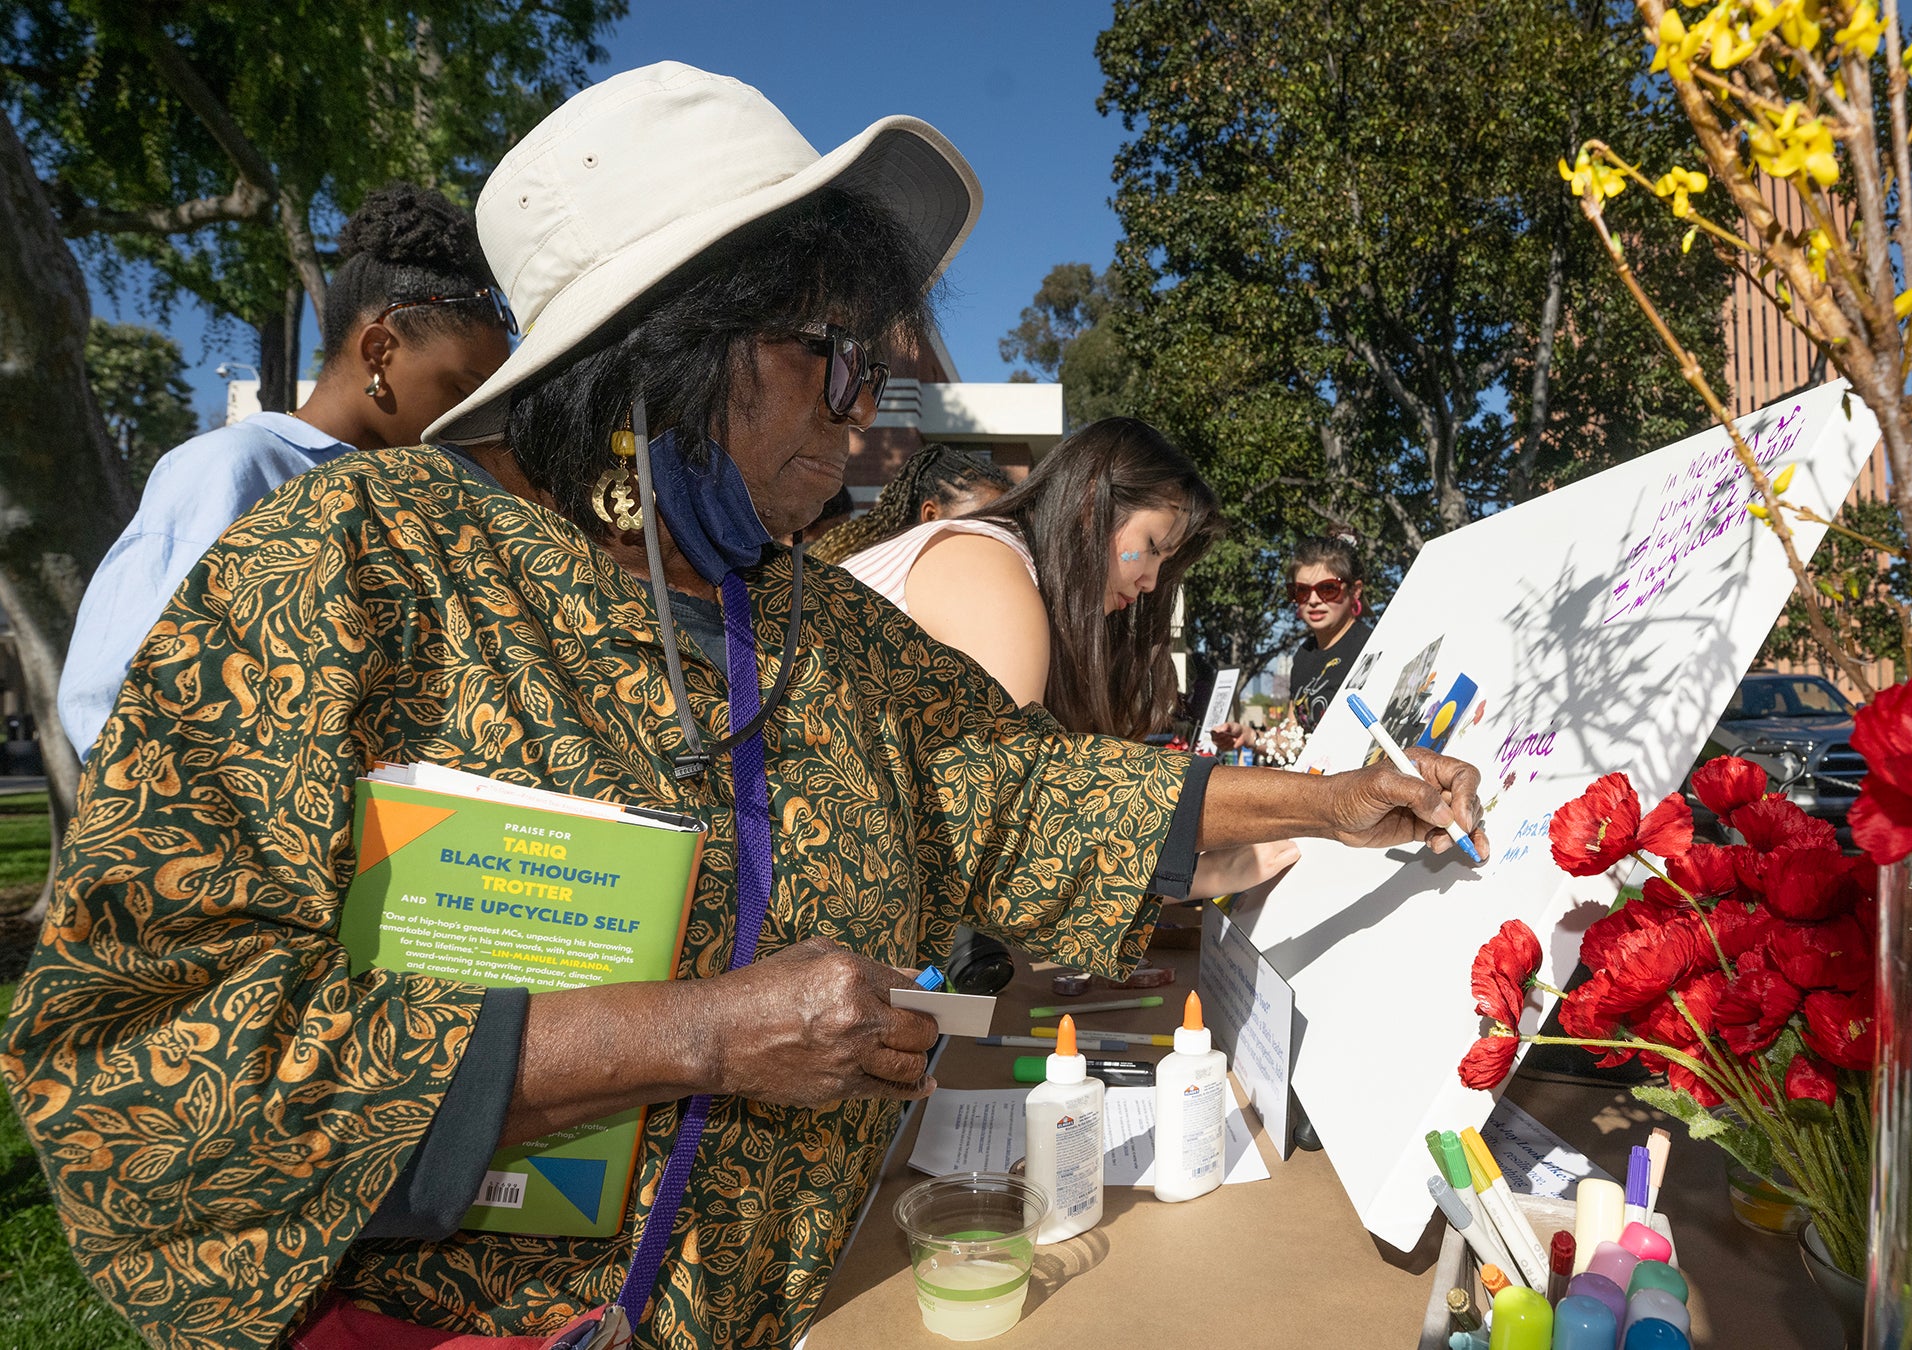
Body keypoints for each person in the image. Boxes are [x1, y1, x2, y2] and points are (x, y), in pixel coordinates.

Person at [1, 63, 1485, 1350]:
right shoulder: (352, 568)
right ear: (673, 350)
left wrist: (1337, 802)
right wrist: (694, 1034)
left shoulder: (814, 623)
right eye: (833, 363)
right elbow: (128, 1068)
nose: (862, 426)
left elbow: (1032, 793)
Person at [54, 183, 514, 758]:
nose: (467, 415)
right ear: (378, 352)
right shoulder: (237, 467)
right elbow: (108, 695)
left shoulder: (423, 495)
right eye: (461, 388)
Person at [842, 416, 1299, 904]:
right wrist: (1204, 874)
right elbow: (1013, 816)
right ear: (1089, 506)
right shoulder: (990, 567)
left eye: (1165, 563)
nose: (1149, 581)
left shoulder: (1002, 566)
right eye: (1150, 548)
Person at [1214, 533, 1377, 753]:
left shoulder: (1371, 647)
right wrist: (1249, 736)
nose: (1313, 600)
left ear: (1355, 590)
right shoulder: (1303, 656)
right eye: (1301, 591)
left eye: (1327, 588)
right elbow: (1295, 740)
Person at [807, 440, 1009, 563]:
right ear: (930, 515)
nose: (997, 535)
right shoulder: (889, 569)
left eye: (1006, 524)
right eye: (982, 523)